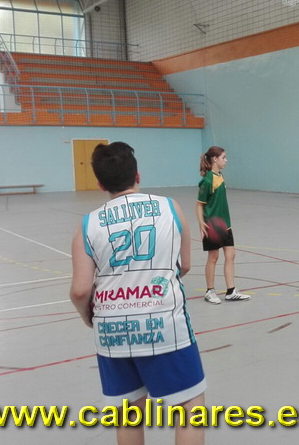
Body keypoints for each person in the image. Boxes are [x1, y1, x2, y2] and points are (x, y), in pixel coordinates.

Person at [69, 142, 205, 445]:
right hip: (165, 327)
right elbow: (184, 266)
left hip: (111, 332)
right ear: (137, 175)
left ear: (100, 184)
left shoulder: (88, 224)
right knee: (189, 408)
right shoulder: (170, 208)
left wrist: (88, 317)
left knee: (128, 412)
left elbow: (80, 290)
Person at [197, 146, 250, 304]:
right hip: (213, 226)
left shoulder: (220, 176)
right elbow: (199, 204)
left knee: (230, 255)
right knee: (213, 257)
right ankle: (210, 291)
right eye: (224, 157)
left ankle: (231, 291)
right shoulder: (207, 181)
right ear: (215, 159)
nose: (226, 160)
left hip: (226, 224)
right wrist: (201, 223)